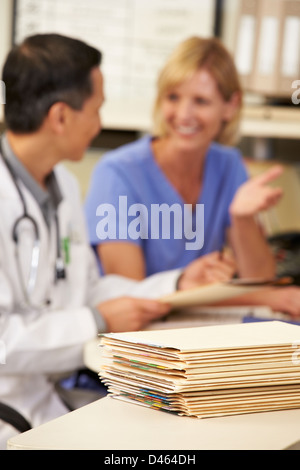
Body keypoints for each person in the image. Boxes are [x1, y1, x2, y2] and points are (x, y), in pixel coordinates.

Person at [0, 33, 233, 449]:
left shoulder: (64, 187)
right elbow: (4, 342)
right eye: (96, 109)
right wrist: (97, 320)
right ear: (60, 117)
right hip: (8, 408)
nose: (100, 123)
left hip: (47, 396)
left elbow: (88, 289)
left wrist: (176, 284)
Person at [84, 36, 300, 315]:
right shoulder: (117, 173)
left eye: (201, 101)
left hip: (192, 326)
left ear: (230, 106)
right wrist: (263, 299)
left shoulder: (228, 165)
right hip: (132, 337)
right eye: (173, 97)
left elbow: (258, 279)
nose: (184, 115)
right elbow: (132, 296)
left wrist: (242, 219)